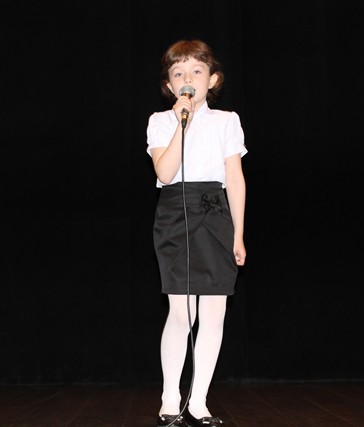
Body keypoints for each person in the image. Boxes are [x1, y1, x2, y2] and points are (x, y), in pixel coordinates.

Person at [146, 39, 247, 427]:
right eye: (178, 73)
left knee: (214, 313)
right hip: (175, 214)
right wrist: (180, 124)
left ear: (212, 79)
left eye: (196, 71)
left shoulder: (227, 121)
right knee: (181, 311)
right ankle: (170, 397)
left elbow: (235, 179)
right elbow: (164, 171)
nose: (187, 78)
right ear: (170, 85)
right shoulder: (160, 121)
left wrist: (238, 234)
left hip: (216, 214)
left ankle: (199, 401)